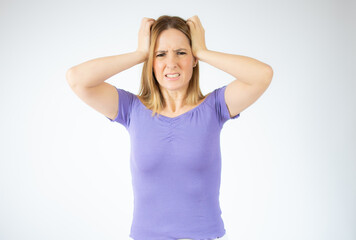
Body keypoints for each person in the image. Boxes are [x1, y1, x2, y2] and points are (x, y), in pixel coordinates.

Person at [66, 15, 273, 240]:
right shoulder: (131, 109)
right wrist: (139, 54)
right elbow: (77, 79)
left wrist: (202, 51)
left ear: (193, 59)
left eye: (181, 52)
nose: (171, 63)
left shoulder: (215, 106)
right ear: (151, 62)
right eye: (160, 54)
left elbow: (262, 75)